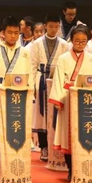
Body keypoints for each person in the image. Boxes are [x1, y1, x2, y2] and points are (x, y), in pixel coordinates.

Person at [49, 26, 92, 182]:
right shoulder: (63, 58)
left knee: (85, 132)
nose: (80, 44)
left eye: (83, 41)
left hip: (87, 101)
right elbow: (58, 80)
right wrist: (58, 100)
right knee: (68, 135)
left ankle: (85, 167)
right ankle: (71, 169)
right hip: (68, 98)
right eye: (77, 41)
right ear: (72, 41)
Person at [0, 17, 33, 159]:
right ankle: (2, 161)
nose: (13, 36)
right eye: (10, 32)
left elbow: (29, 76)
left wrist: (30, 97)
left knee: (16, 126)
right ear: (3, 33)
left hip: (19, 94)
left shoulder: (25, 52)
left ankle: (15, 159)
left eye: (16, 33)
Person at [30, 14, 70, 162]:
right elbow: (32, 65)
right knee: (41, 116)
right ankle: (44, 147)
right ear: (45, 26)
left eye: (56, 27)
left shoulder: (64, 44)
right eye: (51, 26)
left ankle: (56, 146)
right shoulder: (37, 43)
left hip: (57, 81)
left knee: (56, 114)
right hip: (41, 80)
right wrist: (33, 85)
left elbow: (66, 65)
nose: (53, 29)